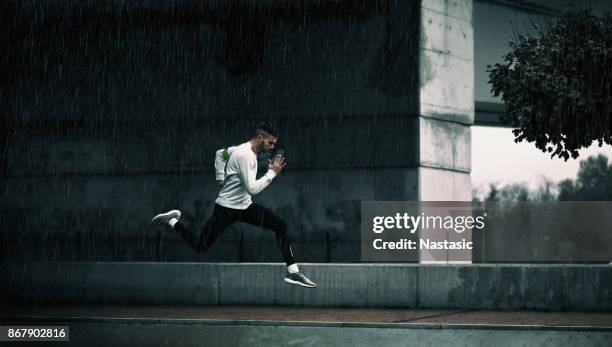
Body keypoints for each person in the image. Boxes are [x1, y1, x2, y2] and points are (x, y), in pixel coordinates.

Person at [151, 122, 317, 288]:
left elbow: (219, 154)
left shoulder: (237, 149)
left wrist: (220, 178)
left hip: (244, 208)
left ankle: (293, 271)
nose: (272, 147)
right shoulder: (245, 155)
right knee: (200, 246)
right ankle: (172, 221)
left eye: (274, 143)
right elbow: (252, 188)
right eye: (270, 143)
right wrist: (272, 173)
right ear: (260, 138)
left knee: (280, 225)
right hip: (226, 210)